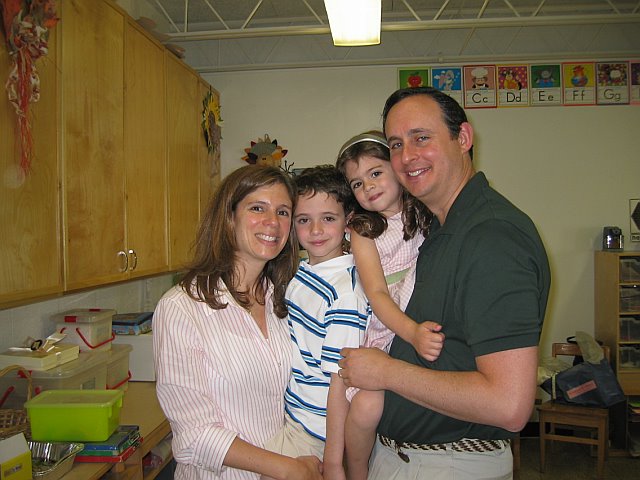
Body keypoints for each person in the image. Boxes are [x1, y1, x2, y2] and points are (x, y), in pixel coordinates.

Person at [338, 87, 551, 480]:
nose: (407, 156)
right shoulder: (436, 230)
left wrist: (386, 372)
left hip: (446, 465)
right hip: (404, 459)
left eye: (421, 137)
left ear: (463, 138)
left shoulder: (492, 237)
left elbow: (509, 405)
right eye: (396, 144)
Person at [153, 165, 323, 480]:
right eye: (257, 208)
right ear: (229, 218)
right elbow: (194, 435)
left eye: (283, 212)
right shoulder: (181, 309)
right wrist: (288, 468)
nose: (273, 222)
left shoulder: (284, 299)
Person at [335, 131, 445, 480]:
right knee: (368, 406)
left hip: (422, 307)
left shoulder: (426, 212)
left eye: (375, 173)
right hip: (384, 325)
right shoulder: (362, 230)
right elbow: (377, 294)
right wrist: (411, 332)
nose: (367, 186)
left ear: (397, 169)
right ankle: (356, 470)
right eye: (357, 183)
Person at [264, 166, 370, 480]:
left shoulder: (344, 291)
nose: (315, 230)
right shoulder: (302, 271)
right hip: (293, 416)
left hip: (317, 432)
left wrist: (334, 461)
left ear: (348, 220)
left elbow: (340, 379)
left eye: (328, 218)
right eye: (303, 220)